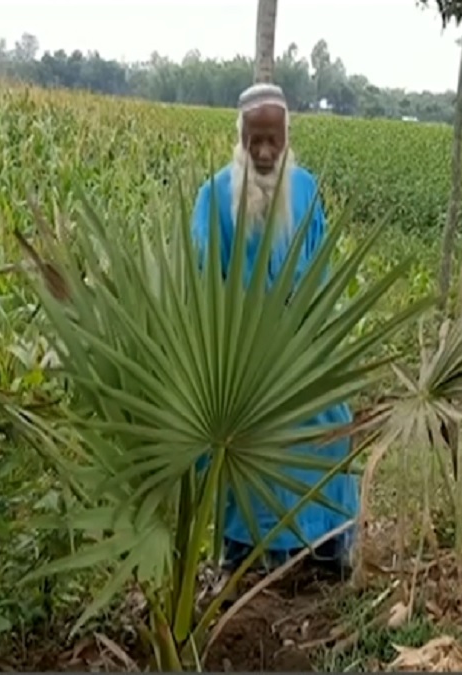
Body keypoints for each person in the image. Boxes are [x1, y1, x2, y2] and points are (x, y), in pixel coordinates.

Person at [190, 83, 357, 578]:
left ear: (287, 136)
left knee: (333, 424)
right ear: (240, 135)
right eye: (254, 140)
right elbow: (204, 276)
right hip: (240, 361)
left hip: (302, 347)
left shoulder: (305, 188)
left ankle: (327, 548)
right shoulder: (214, 195)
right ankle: (244, 556)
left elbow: (320, 269)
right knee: (238, 440)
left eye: (273, 141)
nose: (264, 152)